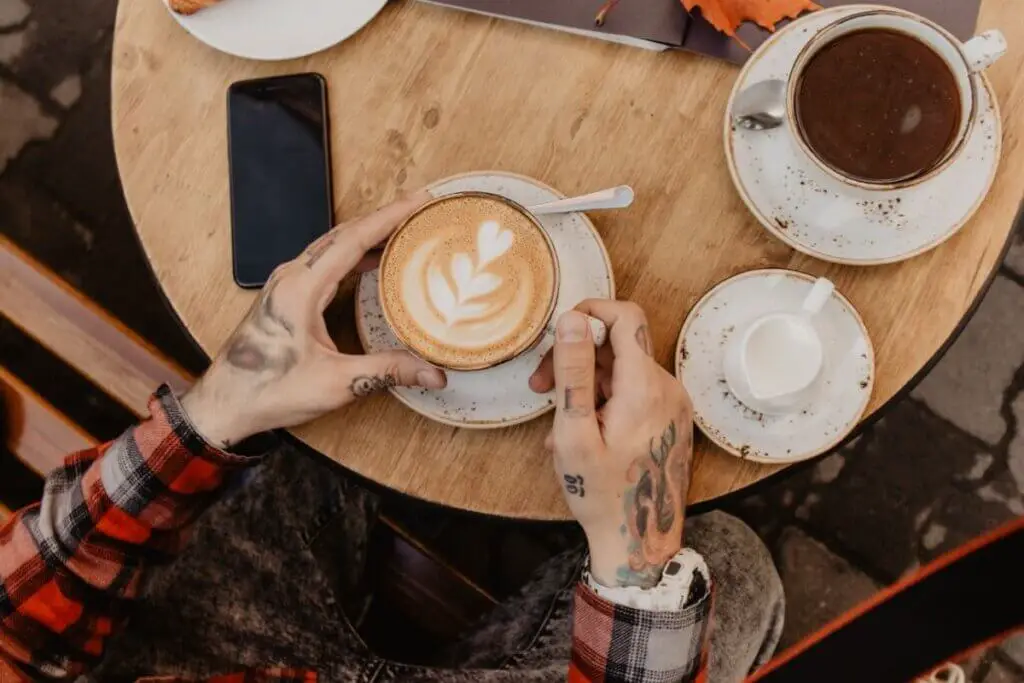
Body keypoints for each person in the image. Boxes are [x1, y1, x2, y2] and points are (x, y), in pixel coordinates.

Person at [0, 192, 784, 682]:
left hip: (193, 649)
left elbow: (17, 624)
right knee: (731, 566)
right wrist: (638, 561)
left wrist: (213, 413)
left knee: (351, 423)